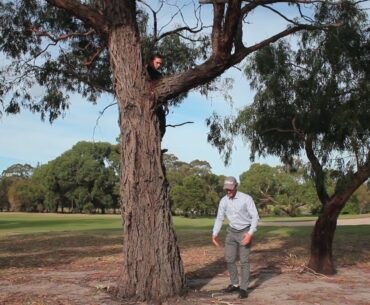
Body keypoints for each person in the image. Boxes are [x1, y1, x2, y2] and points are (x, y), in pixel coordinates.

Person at [212, 176, 259, 299]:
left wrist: (250, 233)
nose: (228, 191)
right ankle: (235, 284)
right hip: (231, 232)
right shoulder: (224, 201)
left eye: (231, 189)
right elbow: (220, 218)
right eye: (226, 189)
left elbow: (255, 217)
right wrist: (215, 233)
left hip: (245, 232)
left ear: (236, 186)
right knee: (229, 259)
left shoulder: (246, 199)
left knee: (244, 261)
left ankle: (243, 289)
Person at [146, 54, 168, 140]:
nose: (158, 65)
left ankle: (158, 142)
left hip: (158, 103)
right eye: (157, 62)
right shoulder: (145, 71)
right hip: (147, 101)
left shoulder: (159, 75)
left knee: (162, 127)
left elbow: (164, 89)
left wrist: (166, 104)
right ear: (152, 61)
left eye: (160, 63)